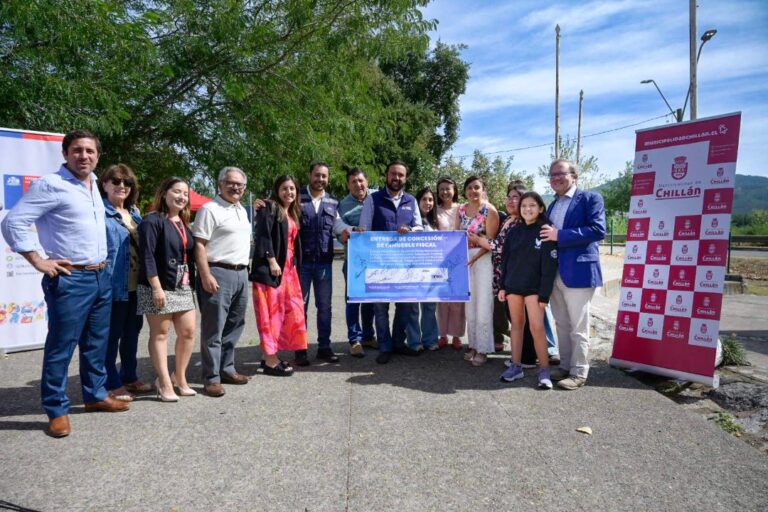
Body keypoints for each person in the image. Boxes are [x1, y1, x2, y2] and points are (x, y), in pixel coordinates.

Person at [1, 129, 128, 438]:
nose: (83, 155)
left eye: (89, 151)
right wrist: (38, 260)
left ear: (98, 156)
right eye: (77, 150)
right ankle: (56, 409)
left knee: (96, 344)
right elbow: (12, 221)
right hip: (71, 279)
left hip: (101, 276)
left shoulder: (95, 185)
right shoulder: (52, 185)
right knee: (61, 347)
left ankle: (95, 395)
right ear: (65, 153)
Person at [540, 159, 606, 390]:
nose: (555, 177)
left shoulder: (590, 199)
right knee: (562, 323)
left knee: (579, 326)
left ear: (574, 176)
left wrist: (561, 236)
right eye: (552, 174)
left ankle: (579, 372)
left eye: (561, 173)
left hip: (579, 271)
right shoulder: (552, 205)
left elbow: (598, 230)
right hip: (555, 272)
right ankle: (566, 366)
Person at [193, 167, 252, 397]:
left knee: (234, 326)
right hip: (217, 272)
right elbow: (199, 244)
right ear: (220, 184)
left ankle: (227, 368)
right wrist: (205, 274)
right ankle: (211, 378)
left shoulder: (241, 210)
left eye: (240, 184)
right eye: (230, 183)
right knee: (213, 329)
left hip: (240, 273)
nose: (235, 187)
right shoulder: (210, 209)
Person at [137, 177, 197, 402]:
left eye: (185, 193)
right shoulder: (152, 221)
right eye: (177, 192)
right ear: (164, 193)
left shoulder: (183, 221)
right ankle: (163, 382)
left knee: (188, 332)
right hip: (159, 286)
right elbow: (147, 256)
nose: (182, 197)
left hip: (182, 285)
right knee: (160, 334)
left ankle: (179, 378)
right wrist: (156, 288)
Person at [358, 160, 423, 364]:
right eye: (393, 174)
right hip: (379, 264)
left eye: (401, 175)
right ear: (386, 176)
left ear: (406, 178)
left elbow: (420, 227)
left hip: (405, 265)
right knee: (380, 308)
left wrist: (411, 230)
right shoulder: (373, 199)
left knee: (404, 306)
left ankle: (398, 343)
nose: (396, 178)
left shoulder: (411, 201)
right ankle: (384, 347)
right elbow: (364, 229)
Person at [498, 192, 558, 389]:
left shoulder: (545, 231)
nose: (527, 209)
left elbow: (549, 267)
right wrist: (503, 286)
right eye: (524, 206)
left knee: (537, 328)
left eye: (532, 205)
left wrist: (544, 294)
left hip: (534, 289)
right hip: (514, 286)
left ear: (540, 208)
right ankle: (516, 366)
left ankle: (544, 371)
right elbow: (505, 260)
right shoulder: (514, 231)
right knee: (516, 326)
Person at [249, 175, 309, 376]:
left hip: (290, 272)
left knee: (291, 312)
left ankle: (270, 354)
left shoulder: (291, 212)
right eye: (284, 188)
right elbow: (263, 235)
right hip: (272, 271)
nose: (289, 192)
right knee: (270, 315)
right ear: (277, 190)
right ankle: (270, 360)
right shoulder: (269, 207)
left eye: (292, 188)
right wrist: (271, 260)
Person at [100, 163, 150, 402]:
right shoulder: (99, 213)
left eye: (127, 182)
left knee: (132, 334)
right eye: (116, 181)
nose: (122, 186)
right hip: (112, 286)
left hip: (135, 286)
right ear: (105, 184)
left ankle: (129, 375)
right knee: (111, 337)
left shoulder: (135, 214)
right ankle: (111, 382)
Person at [297, 161, 346, 365]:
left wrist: (351, 231)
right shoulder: (297, 197)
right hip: (301, 264)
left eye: (324, 176)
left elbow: (338, 225)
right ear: (310, 175)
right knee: (300, 307)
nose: (320, 179)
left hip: (325, 263)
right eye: (317, 175)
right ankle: (300, 349)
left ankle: (324, 347)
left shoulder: (333, 201)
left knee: (325, 307)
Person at [456, 176, 499, 366]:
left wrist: (475, 256)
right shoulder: (462, 210)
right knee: (470, 304)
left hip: (482, 259)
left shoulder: (490, 210)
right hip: (465, 260)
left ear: (483, 189)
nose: (473, 191)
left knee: (483, 304)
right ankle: (472, 345)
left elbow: (490, 241)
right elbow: (457, 236)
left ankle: (483, 348)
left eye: (477, 187)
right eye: (469, 188)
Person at [336, 167, 376, 357]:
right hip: (353, 262)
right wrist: (346, 235)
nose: (358, 184)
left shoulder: (377, 199)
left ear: (366, 181)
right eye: (353, 181)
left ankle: (369, 336)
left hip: (376, 261)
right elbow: (337, 232)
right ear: (348, 184)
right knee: (353, 300)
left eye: (361, 180)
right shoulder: (342, 205)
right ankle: (355, 339)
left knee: (371, 300)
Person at [435, 176, 465, 350]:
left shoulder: (462, 209)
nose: (445, 192)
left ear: (454, 191)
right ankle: (442, 334)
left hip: (459, 259)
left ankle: (457, 335)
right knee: (442, 299)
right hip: (439, 260)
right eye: (442, 189)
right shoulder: (435, 210)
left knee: (457, 299)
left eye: (448, 188)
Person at [414, 186, 440, 351]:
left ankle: (430, 340)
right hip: (413, 270)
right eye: (424, 199)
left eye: (431, 199)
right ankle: (414, 341)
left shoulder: (435, 222)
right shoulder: (411, 220)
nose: (428, 203)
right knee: (413, 308)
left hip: (431, 272)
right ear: (417, 201)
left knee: (430, 307)